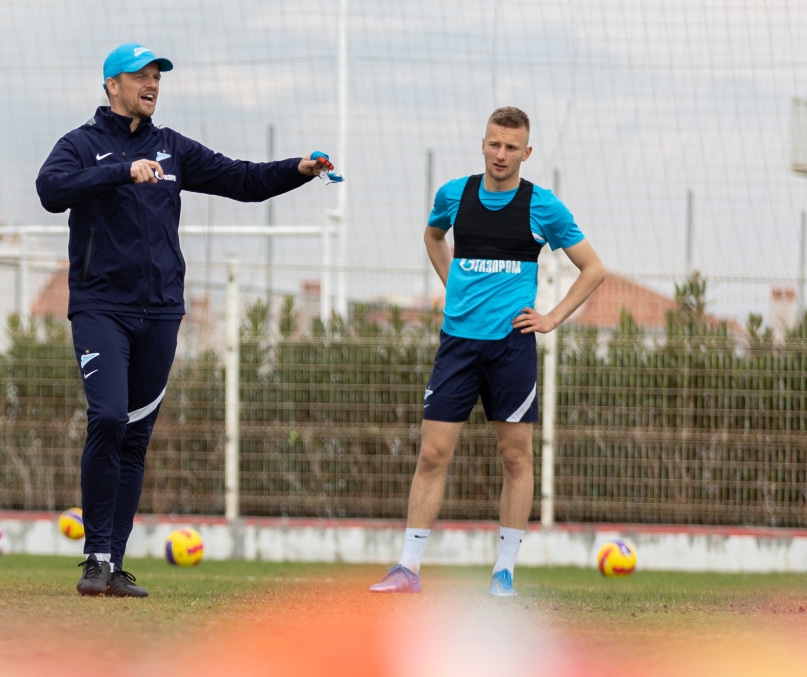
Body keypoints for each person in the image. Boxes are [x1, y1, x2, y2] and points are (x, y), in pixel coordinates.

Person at [36, 43, 332, 598]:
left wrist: (298, 169)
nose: (151, 84)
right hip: (101, 308)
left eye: (157, 76)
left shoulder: (171, 147)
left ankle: (113, 564)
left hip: (162, 313)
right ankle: (94, 556)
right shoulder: (80, 144)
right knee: (107, 418)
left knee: (135, 437)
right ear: (112, 85)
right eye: (140, 76)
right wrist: (121, 172)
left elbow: (241, 179)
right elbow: (50, 191)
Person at [370, 106, 605, 596]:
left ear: (527, 152)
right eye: (494, 144)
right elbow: (433, 235)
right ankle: (408, 568)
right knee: (432, 453)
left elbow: (593, 269)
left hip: (511, 349)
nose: (501, 154)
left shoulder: (543, 206)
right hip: (457, 345)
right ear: (482, 144)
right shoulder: (453, 195)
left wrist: (551, 318)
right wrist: (452, 284)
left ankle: (504, 572)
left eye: (511, 147)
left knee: (516, 458)